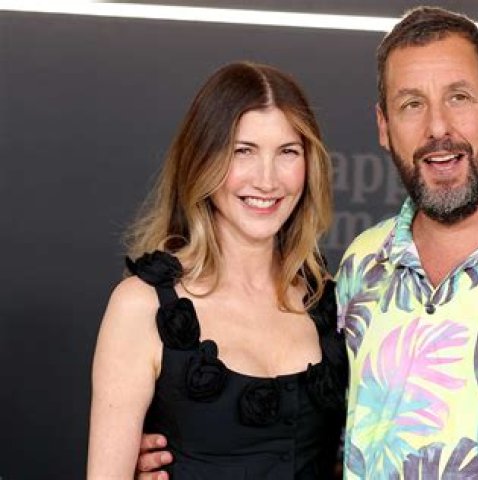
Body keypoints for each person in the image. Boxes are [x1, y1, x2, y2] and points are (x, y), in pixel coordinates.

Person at [137, 6, 478, 479]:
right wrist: (193, 455)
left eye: (459, 97)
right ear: (383, 125)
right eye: (411, 104)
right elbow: (309, 445)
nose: (437, 128)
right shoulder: (361, 269)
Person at [87, 61, 347, 479]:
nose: (267, 180)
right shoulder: (141, 307)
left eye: (287, 152)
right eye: (243, 151)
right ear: (202, 159)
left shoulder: (332, 301)